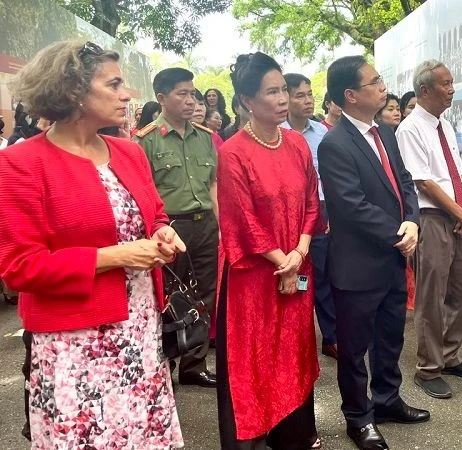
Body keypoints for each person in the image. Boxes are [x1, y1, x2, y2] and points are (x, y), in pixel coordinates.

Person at [0, 40, 185, 449]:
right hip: (74, 344)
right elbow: (18, 268)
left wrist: (162, 232)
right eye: (114, 83)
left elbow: (153, 214)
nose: (126, 94)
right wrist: (114, 257)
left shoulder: (129, 152)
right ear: (73, 91)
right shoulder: (20, 164)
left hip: (139, 332)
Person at [318, 55, 428, 450]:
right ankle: (358, 417)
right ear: (350, 95)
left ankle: (387, 399)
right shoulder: (334, 143)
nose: (384, 86)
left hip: (392, 258)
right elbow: (350, 205)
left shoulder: (386, 132)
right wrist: (399, 233)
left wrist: (413, 220)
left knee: (390, 337)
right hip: (358, 265)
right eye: (375, 81)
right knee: (354, 348)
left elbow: (405, 182)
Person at [216, 52, 321, 450]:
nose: (283, 99)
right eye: (272, 92)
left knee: (294, 351)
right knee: (255, 357)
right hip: (255, 277)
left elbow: (312, 200)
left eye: (284, 91)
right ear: (246, 101)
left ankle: (293, 434)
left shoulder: (296, 145)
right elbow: (242, 219)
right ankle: (252, 439)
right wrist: (283, 261)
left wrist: (300, 251)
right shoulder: (233, 152)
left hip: (297, 261)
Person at [396, 60, 462, 400]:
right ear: (425, 91)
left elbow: (459, 171)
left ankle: (449, 356)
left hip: (456, 218)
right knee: (431, 297)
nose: (452, 89)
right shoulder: (410, 129)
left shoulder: (445, 125)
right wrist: (460, 213)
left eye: (452, 83)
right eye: (445, 84)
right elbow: (424, 182)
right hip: (431, 218)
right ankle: (428, 368)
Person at [134, 67, 218, 388]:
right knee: (169, 297)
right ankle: (165, 366)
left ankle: (194, 364)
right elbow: (143, 194)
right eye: (181, 93)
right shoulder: (146, 142)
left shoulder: (205, 138)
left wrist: (219, 225)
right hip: (170, 228)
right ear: (161, 98)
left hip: (205, 225)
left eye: (192, 94)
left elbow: (213, 185)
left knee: (204, 295)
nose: (190, 100)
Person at [280, 73, 338, 359]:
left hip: (323, 212)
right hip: (289, 215)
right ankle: (295, 341)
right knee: (295, 275)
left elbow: (331, 178)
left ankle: (331, 337)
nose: (307, 100)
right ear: (285, 97)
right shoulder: (275, 133)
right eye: (299, 95)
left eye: (309, 94)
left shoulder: (322, 133)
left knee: (326, 275)